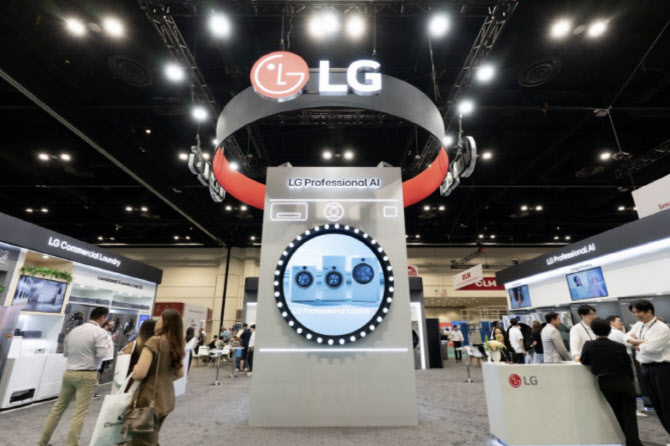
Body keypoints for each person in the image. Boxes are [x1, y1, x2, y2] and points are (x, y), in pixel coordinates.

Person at [39, 307, 112, 446]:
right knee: (80, 412)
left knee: (57, 409)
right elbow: (102, 354)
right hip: (87, 375)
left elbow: (66, 353)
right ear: (102, 317)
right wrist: (107, 345)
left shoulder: (74, 331)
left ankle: (42, 443)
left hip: (69, 373)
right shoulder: (100, 333)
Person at [580, 318, 643, 446]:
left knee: (617, 413)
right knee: (629, 415)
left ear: (593, 330)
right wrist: (630, 381)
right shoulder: (619, 346)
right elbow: (628, 366)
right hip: (623, 381)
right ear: (609, 330)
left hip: (605, 382)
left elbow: (584, 360)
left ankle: (628, 441)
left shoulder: (589, 345)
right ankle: (634, 442)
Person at [128, 309, 185, 446]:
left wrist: (134, 370)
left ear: (166, 323)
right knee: (151, 437)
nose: (157, 322)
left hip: (149, 398)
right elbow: (180, 373)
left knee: (141, 441)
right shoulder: (176, 344)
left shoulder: (154, 342)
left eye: (159, 319)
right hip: (166, 398)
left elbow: (140, 373)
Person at [624, 300, 670, 435]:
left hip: (662, 369)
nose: (635, 315)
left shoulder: (662, 328)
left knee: (667, 404)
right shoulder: (639, 325)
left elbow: (651, 348)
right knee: (657, 404)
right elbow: (625, 338)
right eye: (633, 312)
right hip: (646, 368)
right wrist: (640, 342)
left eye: (638, 312)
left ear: (649, 311)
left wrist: (635, 342)